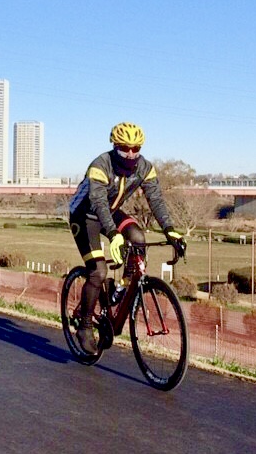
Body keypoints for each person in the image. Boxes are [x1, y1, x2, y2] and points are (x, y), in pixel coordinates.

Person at [67, 122, 186, 354]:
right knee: (99, 271)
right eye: (124, 149)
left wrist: (170, 229)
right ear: (114, 146)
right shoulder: (100, 165)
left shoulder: (145, 168)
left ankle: (120, 286)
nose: (130, 154)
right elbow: (99, 203)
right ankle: (85, 325)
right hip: (85, 215)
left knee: (138, 238)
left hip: (110, 212)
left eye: (135, 148)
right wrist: (113, 235)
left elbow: (156, 200)